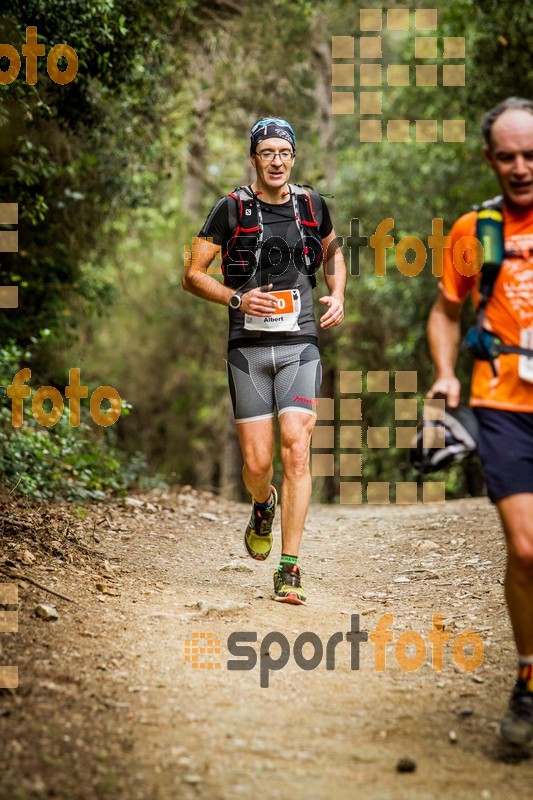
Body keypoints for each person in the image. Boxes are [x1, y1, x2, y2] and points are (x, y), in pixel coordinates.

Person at [182, 117, 346, 605]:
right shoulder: (228, 209)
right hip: (247, 351)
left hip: (300, 342)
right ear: (253, 157)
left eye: (284, 153)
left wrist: (337, 293)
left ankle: (290, 568)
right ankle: (261, 503)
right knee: (258, 464)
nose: (276, 161)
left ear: (293, 157)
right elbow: (192, 273)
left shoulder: (312, 205)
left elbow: (333, 252)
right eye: (267, 152)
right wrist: (236, 300)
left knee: (297, 446)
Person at [427, 97, 533, 744]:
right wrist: (443, 373)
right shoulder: (475, 231)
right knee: (525, 548)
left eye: (530, 155)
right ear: (488, 159)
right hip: (500, 401)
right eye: (506, 156)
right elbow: (445, 310)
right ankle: (528, 681)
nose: (520, 167)